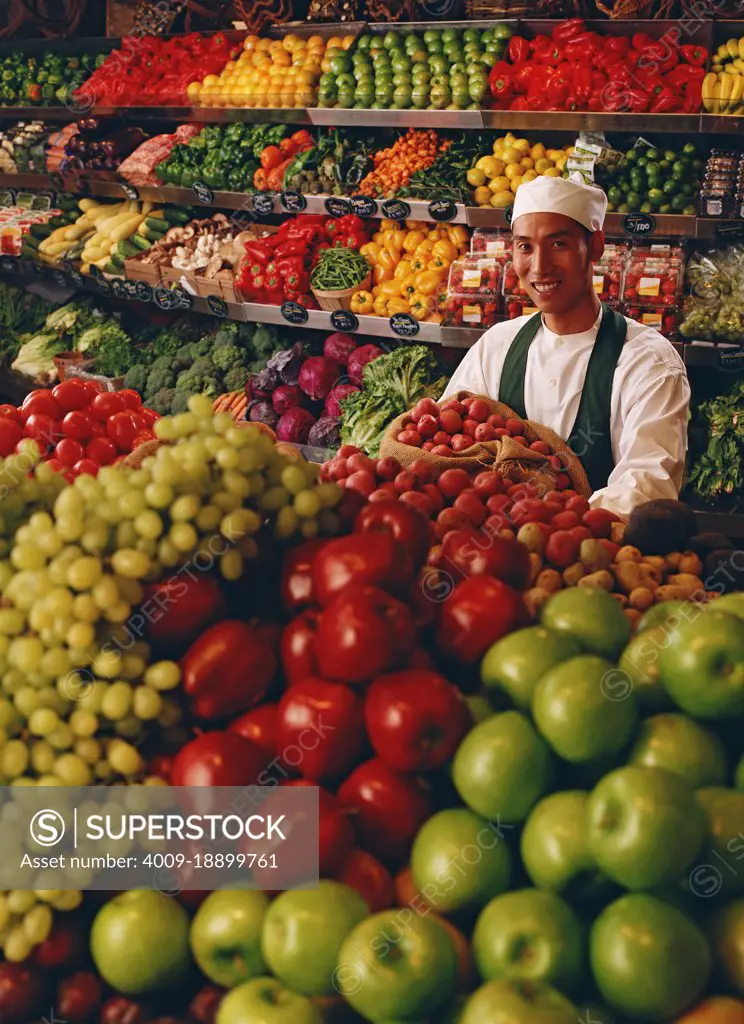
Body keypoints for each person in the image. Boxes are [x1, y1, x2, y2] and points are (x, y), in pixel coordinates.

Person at [441, 174, 691, 518]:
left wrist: (548, 527)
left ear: (596, 247)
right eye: (525, 246)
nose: (539, 266)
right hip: (491, 551)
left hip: (592, 559)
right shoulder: (496, 346)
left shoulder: (648, 363)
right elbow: (444, 439)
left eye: (558, 244)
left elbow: (646, 486)